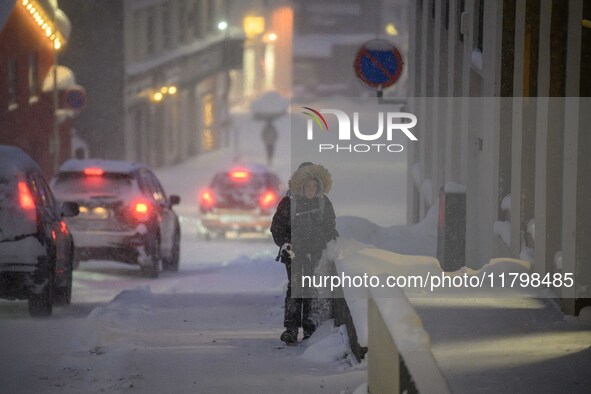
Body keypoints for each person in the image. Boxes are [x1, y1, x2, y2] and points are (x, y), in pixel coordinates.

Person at [271, 162, 339, 344]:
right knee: (296, 288)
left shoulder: (324, 203)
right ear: (300, 185)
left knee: (311, 288)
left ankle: (310, 327)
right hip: (294, 254)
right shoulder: (289, 203)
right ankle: (291, 329)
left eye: (314, 185)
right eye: (308, 185)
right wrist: (285, 244)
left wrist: (324, 243)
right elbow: (277, 227)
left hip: (316, 253)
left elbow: (330, 227)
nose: (311, 189)